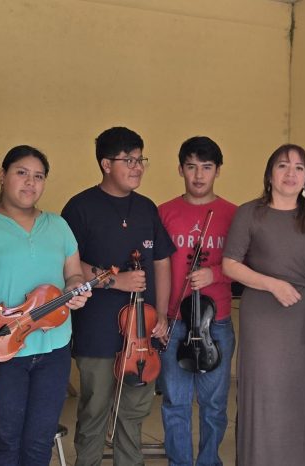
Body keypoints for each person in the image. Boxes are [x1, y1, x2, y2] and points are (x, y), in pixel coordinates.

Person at [0, 145, 89, 465]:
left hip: (53, 349)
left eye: (38, 176)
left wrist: (74, 287)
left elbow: (74, 273)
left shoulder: (58, 225)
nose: (30, 182)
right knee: (5, 443)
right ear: (2, 176)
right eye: (22, 173)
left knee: (39, 444)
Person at [61, 127, 175, 466]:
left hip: (142, 332)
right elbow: (68, 264)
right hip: (96, 329)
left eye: (140, 160)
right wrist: (115, 281)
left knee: (134, 412)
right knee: (94, 409)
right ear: (106, 164)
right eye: (129, 160)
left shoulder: (146, 208)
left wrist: (163, 314)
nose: (137, 167)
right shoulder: (80, 207)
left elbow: (162, 262)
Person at [223, 144, 305, 466]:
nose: (291, 173)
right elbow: (230, 264)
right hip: (263, 314)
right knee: (263, 390)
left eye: (299, 168)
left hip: (302, 317)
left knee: (300, 392)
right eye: (283, 166)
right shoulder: (249, 212)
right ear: (269, 175)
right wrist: (273, 284)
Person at [157, 136, 238, 466]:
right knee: (175, 402)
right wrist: (160, 316)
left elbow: (245, 265)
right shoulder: (163, 213)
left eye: (207, 167)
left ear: (218, 170)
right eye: (191, 167)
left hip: (215, 322)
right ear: (180, 170)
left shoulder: (233, 214)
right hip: (174, 321)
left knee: (214, 404)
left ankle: (208, 461)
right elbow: (155, 266)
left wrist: (214, 274)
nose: (199, 175)